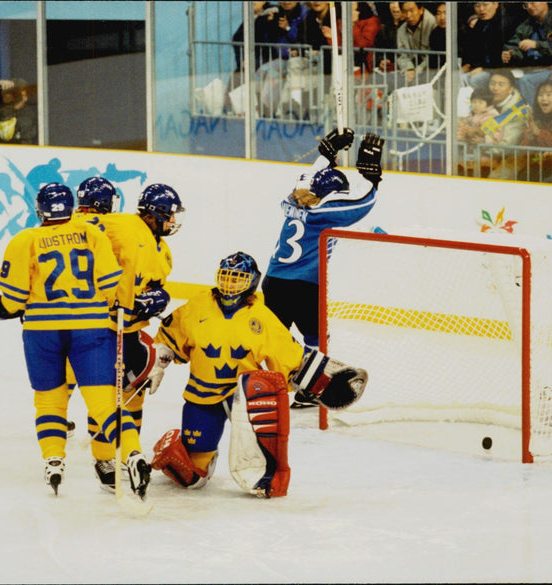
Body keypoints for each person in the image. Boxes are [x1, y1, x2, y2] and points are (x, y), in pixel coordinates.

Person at [145, 252, 368, 498]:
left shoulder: (261, 316)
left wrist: (323, 381)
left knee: (261, 458)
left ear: (251, 281)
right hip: (201, 395)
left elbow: (289, 355)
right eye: (226, 277)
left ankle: (262, 472)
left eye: (237, 279)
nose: (230, 284)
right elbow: (169, 339)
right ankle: (190, 447)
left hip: (243, 396)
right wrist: (156, 364)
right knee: (192, 478)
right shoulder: (197, 306)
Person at [0, 182, 151, 499]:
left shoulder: (24, 241)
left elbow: (14, 299)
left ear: (39, 211)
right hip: (91, 329)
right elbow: (110, 284)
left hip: (42, 331)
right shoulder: (93, 236)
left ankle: (54, 460)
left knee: (50, 400)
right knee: (103, 402)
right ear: (72, 207)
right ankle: (132, 453)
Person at [71, 177, 184, 493]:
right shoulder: (126, 226)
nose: (174, 221)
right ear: (151, 214)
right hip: (99, 327)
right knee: (105, 394)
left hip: (129, 329)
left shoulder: (160, 247)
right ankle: (104, 457)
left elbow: (154, 286)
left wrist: (152, 299)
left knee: (136, 385)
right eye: (169, 214)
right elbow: (91, 225)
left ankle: (129, 451)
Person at [262, 128, 384, 408]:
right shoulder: (323, 213)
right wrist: (371, 175)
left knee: (273, 337)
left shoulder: (293, 199)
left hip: (274, 281)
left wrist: (326, 155)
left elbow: (305, 179)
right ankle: (308, 391)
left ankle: (265, 389)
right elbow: (364, 201)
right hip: (304, 285)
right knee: (317, 338)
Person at [489, 79, 552, 181]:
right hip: (531, 161)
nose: (544, 98)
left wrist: (539, 133)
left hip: (551, 165)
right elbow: (524, 150)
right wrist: (529, 138)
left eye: (548, 95)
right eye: (541, 95)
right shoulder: (534, 116)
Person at [501, 2, 552, 107]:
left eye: (532, 3)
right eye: (526, 5)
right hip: (530, 67)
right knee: (504, 78)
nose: (529, 7)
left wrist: (537, 45)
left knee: (526, 81)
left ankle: (532, 115)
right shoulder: (527, 24)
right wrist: (509, 53)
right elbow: (513, 44)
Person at [460, 2, 518, 91]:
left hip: (500, 70)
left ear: (495, 4)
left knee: (476, 79)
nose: (481, 9)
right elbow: (474, 50)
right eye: (477, 6)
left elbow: (503, 54)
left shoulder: (506, 23)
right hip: (483, 67)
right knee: (459, 78)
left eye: (485, 5)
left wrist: (483, 68)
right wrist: (470, 65)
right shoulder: (479, 24)